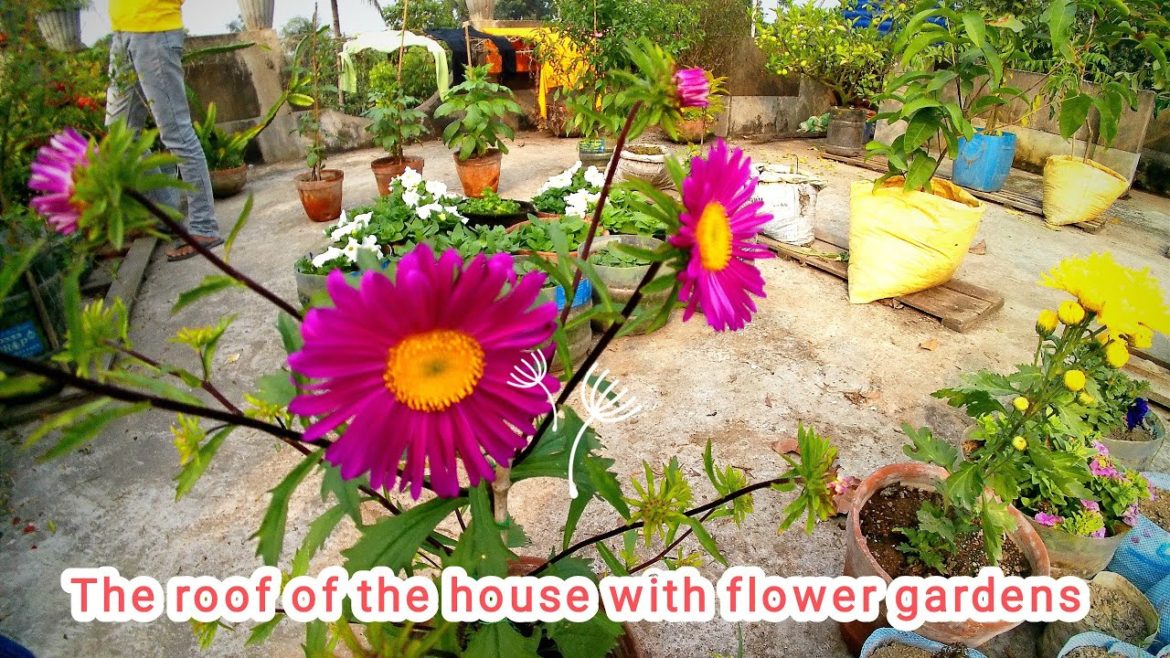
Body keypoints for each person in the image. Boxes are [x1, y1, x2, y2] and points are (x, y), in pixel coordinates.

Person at [105, 0, 222, 262]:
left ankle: (204, 228)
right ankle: (168, 216)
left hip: (154, 28)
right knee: (120, 137)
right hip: (122, 30)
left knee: (176, 133)